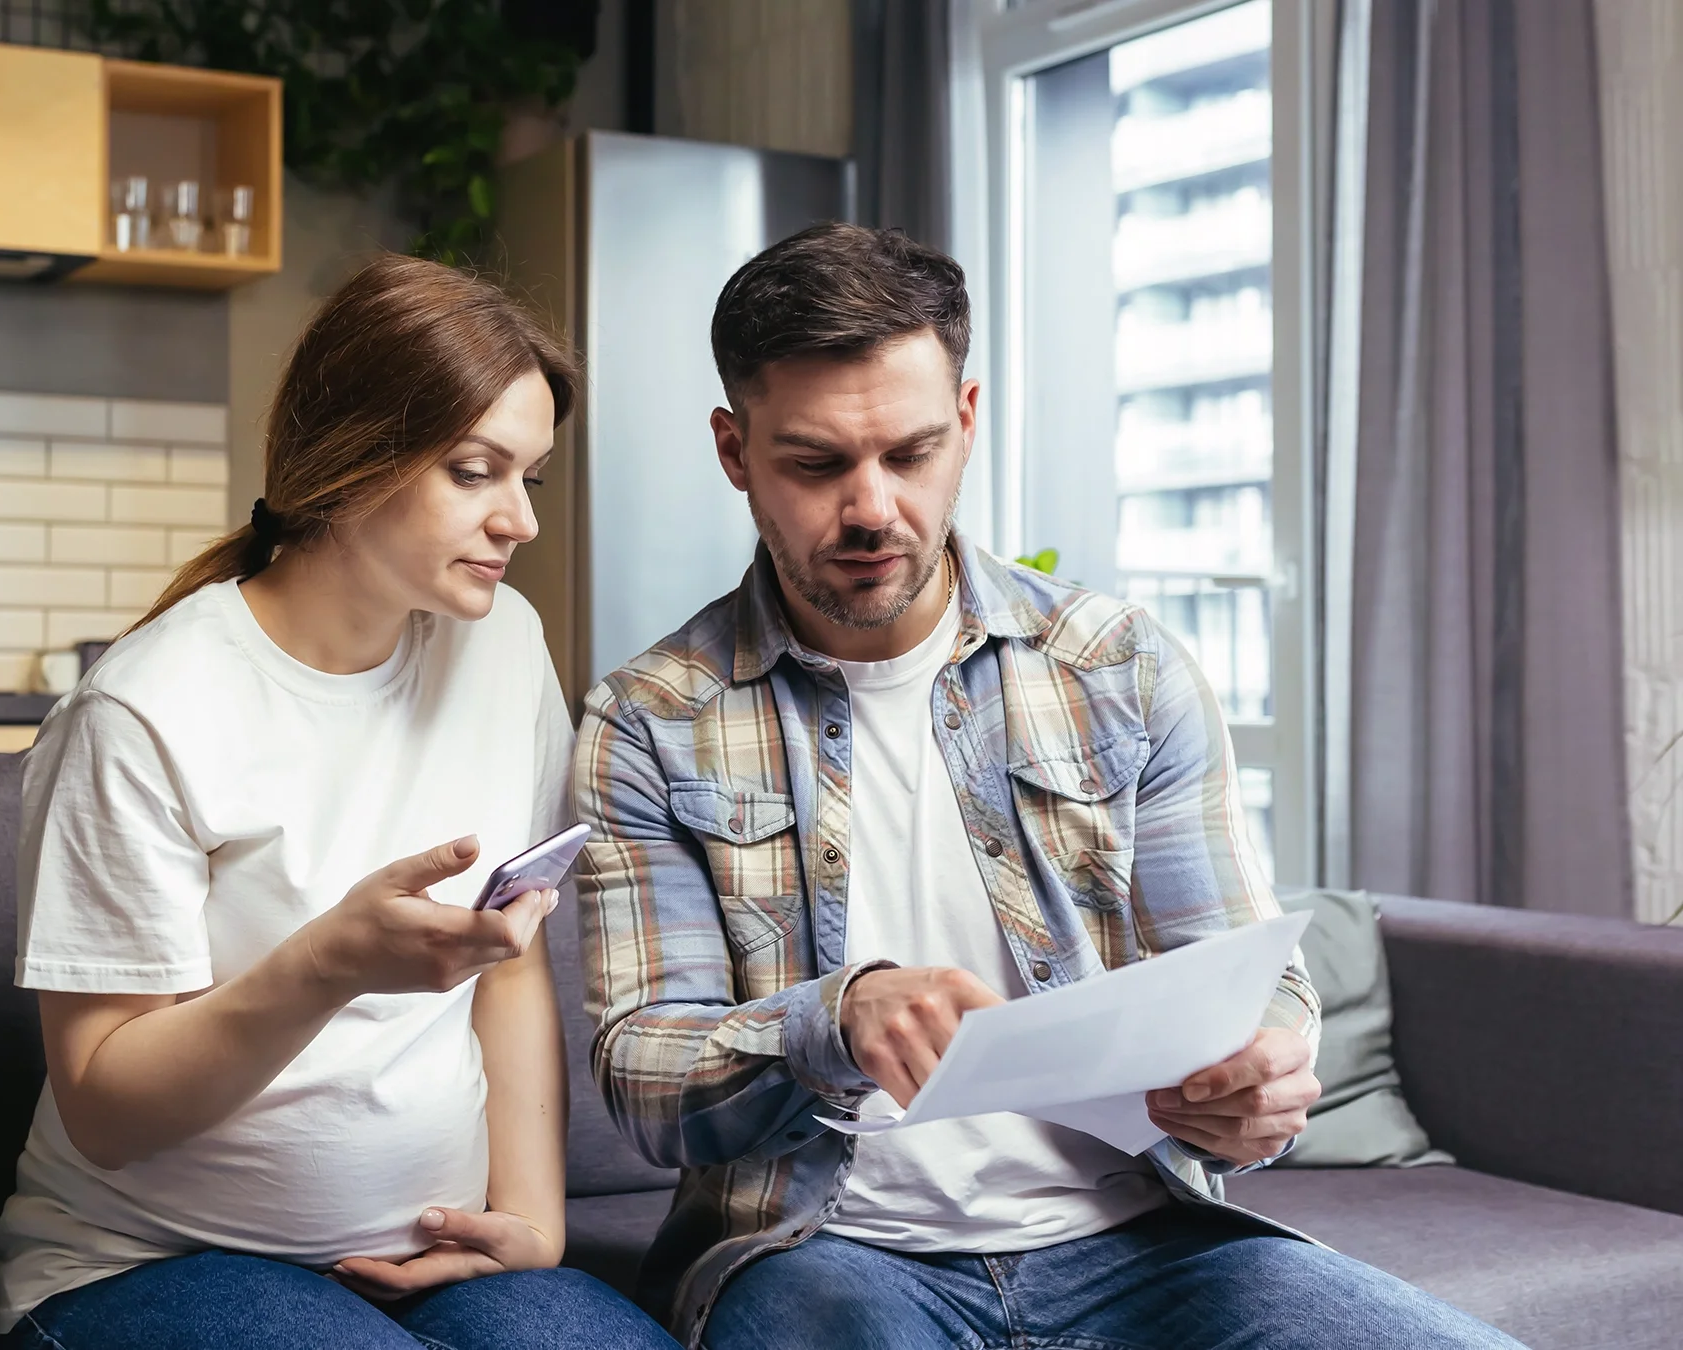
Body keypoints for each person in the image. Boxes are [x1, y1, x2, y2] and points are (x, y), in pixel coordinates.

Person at [569, 223, 1523, 1350]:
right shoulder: (651, 719)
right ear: (736, 451)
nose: (872, 508)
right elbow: (644, 1077)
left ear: (967, 422)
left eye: (911, 453)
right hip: (828, 1255)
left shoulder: (1121, 668)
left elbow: (1247, 971)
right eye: (816, 463)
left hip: (1140, 1240)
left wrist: (1261, 1076)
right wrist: (835, 1019)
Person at [0, 254, 681, 1350]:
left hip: (439, 1250)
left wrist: (534, 1222)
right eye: (475, 471)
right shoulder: (143, 708)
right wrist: (328, 963)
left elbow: (508, 968)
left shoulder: (502, 648)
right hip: (150, 1264)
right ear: (353, 459)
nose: (521, 522)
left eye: (530, 478)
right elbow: (104, 1108)